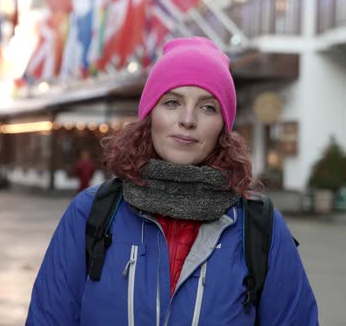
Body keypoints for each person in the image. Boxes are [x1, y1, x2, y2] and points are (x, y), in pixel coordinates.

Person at [26, 37, 318, 325]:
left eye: (208, 107)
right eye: (172, 102)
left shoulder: (260, 226)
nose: (188, 119)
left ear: (223, 127)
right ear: (150, 114)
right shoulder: (91, 212)